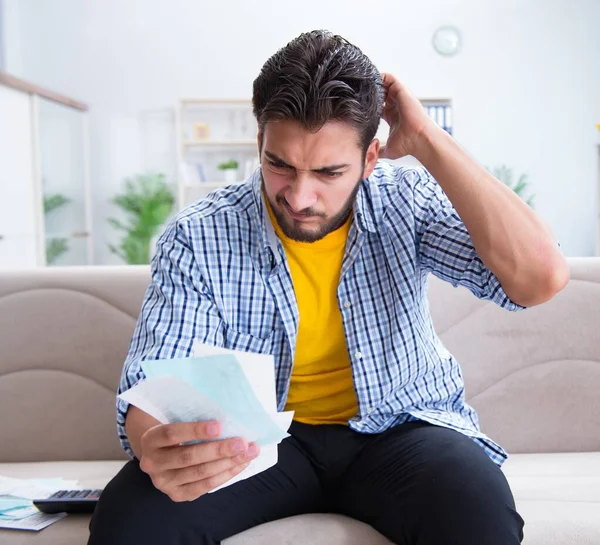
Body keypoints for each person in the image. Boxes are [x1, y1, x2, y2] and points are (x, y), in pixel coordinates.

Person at [88, 30, 569, 545]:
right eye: (280, 164)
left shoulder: (404, 200)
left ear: (369, 159)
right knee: (129, 520)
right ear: (259, 143)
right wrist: (158, 448)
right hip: (263, 443)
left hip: (401, 429)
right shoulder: (199, 234)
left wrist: (428, 141)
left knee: (476, 509)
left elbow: (538, 279)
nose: (299, 196)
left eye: (328, 171)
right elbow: (155, 381)